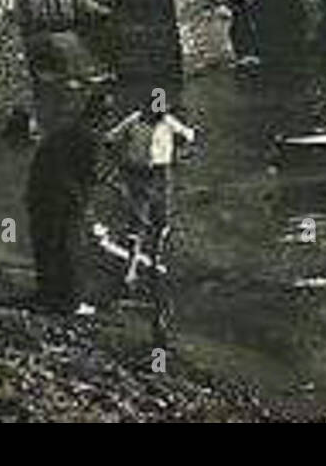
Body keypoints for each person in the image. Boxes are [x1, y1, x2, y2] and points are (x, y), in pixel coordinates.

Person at [105, 95, 198, 341]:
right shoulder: (134, 121)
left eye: (160, 112)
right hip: (136, 173)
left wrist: (180, 153)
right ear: (145, 108)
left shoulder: (167, 122)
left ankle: (155, 261)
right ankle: (132, 267)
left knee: (160, 219)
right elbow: (110, 138)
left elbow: (189, 136)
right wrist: (119, 163)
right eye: (153, 111)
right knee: (137, 221)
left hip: (160, 173)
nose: (156, 116)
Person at [26, 92, 120, 312]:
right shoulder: (91, 139)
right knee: (71, 249)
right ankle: (72, 303)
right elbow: (91, 176)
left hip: (38, 195)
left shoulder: (65, 131)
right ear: (104, 118)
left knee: (46, 247)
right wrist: (112, 175)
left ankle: (46, 295)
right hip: (64, 200)